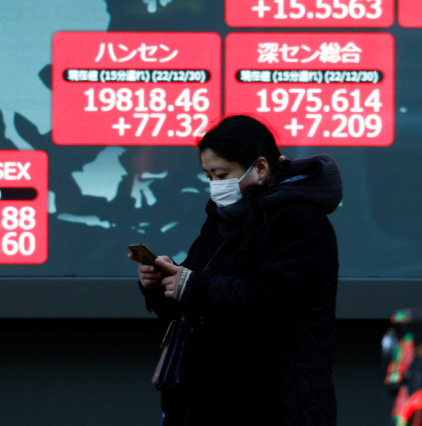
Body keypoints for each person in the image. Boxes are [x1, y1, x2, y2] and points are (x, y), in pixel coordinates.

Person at [128, 115, 342, 426]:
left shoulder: (301, 220)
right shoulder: (223, 219)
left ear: (260, 167)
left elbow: (275, 300)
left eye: (222, 174)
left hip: (273, 401)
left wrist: (194, 287)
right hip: (207, 400)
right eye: (208, 176)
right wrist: (161, 283)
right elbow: (195, 293)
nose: (215, 186)